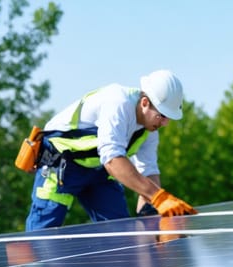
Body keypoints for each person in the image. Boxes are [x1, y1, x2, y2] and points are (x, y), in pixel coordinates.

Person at [25, 69, 197, 231]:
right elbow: (112, 159)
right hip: (61, 166)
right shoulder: (118, 103)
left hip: (98, 171)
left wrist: (154, 215)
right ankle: (31, 263)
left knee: (120, 234)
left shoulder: (149, 129)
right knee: (43, 236)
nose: (165, 123)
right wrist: (159, 197)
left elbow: (148, 170)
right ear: (145, 103)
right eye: (163, 115)